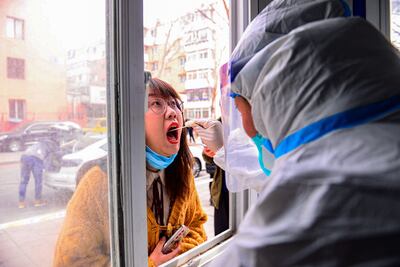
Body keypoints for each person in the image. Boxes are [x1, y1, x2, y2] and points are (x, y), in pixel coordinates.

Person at [53, 77, 207, 267]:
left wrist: (177, 254)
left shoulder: (182, 172)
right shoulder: (98, 183)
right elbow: (71, 262)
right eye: (156, 103)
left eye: (175, 104)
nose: (172, 113)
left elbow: (197, 226)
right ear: (132, 119)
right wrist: (150, 264)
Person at [18, 135, 62, 208]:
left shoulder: (41, 142)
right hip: (36, 159)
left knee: (24, 181)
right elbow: (49, 160)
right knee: (38, 181)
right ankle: (37, 201)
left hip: (24, 157)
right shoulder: (52, 146)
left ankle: (21, 202)